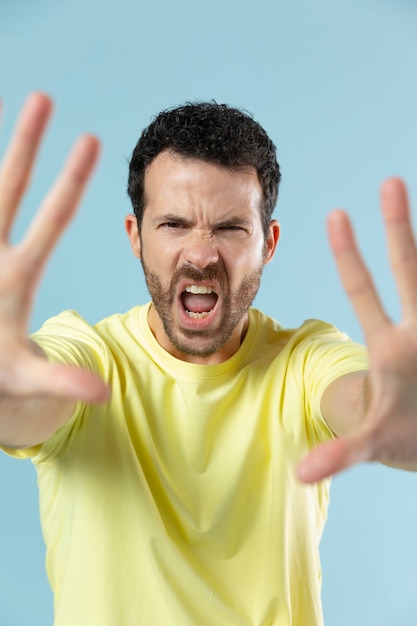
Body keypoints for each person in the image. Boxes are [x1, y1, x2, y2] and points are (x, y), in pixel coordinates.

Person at [1, 93, 417, 626]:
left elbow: (367, 401)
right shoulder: (89, 356)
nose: (200, 254)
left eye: (229, 228)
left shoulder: (304, 360)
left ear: (268, 242)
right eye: (174, 224)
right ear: (136, 237)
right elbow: (26, 401)